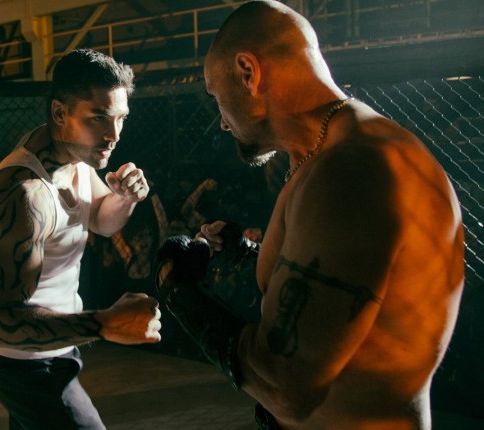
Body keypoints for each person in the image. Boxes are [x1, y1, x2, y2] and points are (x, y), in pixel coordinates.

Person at [154, 1, 464, 429]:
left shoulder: (353, 169)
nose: (221, 122)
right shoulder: (319, 157)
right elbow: (339, 286)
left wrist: (176, 288)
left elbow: (286, 386)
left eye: (215, 96)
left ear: (248, 72)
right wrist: (244, 254)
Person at [0, 48, 161, 430]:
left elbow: (101, 221)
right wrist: (104, 324)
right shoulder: (24, 195)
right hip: (25, 366)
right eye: (99, 118)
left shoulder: (73, 156)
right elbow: (4, 321)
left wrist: (124, 198)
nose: (114, 135)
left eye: (121, 118)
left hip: (53, 348)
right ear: (60, 113)